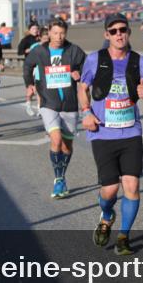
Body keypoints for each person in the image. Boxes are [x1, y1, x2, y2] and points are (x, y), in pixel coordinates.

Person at [78, 13, 143, 256]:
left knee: (132, 184)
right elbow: (82, 88)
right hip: (102, 133)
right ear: (106, 34)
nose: (119, 34)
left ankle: (123, 236)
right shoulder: (94, 60)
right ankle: (107, 214)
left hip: (131, 133)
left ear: (129, 32)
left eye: (123, 29)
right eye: (113, 31)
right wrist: (86, 112)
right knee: (109, 190)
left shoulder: (139, 62)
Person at [24, 17, 86, 199]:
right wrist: (29, 84)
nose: (59, 36)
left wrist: (79, 73)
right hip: (48, 104)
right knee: (56, 139)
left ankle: (62, 176)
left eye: (62, 33)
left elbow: (88, 68)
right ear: (49, 32)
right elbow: (27, 66)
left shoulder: (74, 50)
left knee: (67, 146)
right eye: (55, 33)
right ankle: (58, 179)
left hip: (69, 104)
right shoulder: (40, 51)